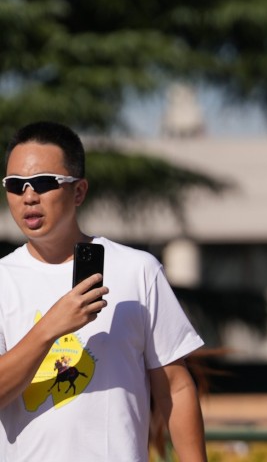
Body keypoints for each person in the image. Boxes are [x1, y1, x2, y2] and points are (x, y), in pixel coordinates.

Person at [0, 121, 206, 461]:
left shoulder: (138, 270)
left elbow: (176, 386)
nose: (29, 196)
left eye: (44, 182)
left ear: (79, 191)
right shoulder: (4, 279)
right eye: (15, 185)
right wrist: (50, 327)